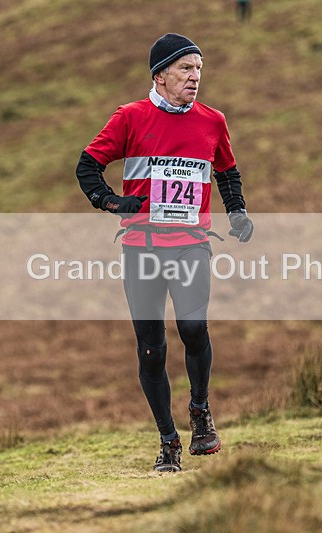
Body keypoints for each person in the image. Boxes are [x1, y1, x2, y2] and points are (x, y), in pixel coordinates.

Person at [75, 33, 254, 471]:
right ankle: (168, 441)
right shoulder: (130, 117)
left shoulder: (213, 121)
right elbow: (87, 166)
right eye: (185, 69)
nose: (195, 77)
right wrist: (113, 202)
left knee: (194, 328)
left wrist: (238, 213)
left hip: (192, 246)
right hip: (142, 249)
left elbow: (226, 171)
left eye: (199, 68)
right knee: (152, 350)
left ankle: (200, 411)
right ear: (160, 76)